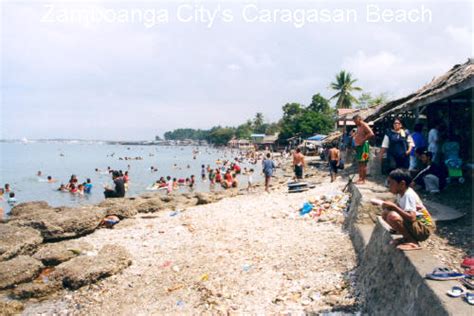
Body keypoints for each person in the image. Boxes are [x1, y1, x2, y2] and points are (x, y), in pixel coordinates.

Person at [380, 169, 435, 251]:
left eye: (391, 183)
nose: (389, 185)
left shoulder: (408, 195)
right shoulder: (400, 193)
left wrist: (394, 207)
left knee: (393, 216)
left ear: (402, 184)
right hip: (417, 225)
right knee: (385, 213)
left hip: (424, 229)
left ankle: (412, 242)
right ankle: (405, 237)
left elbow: (412, 218)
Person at [352, 114, 375, 184]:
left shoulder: (364, 125)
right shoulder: (358, 126)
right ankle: (360, 178)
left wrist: (363, 140)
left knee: (363, 163)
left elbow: (371, 133)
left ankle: (363, 180)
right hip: (359, 147)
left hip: (364, 147)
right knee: (360, 163)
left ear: (359, 119)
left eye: (355, 121)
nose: (355, 123)